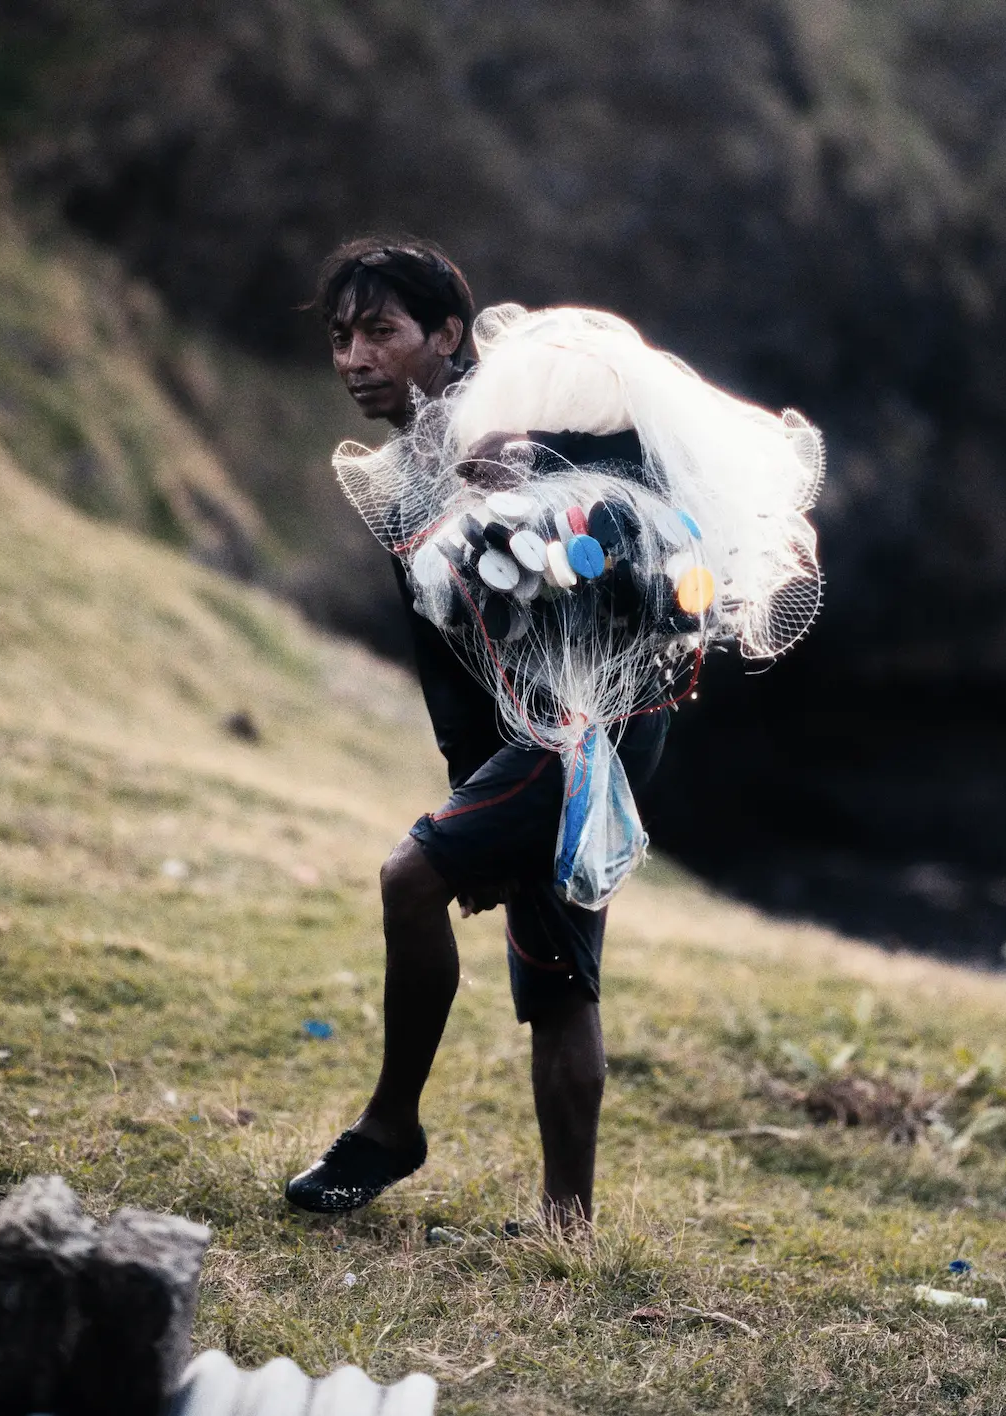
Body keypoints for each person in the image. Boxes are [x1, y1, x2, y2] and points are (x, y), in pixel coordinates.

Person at [285, 238, 668, 1226]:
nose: (355, 359)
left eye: (380, 331)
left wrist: (539, 483)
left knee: (409, 879)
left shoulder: (530, 416)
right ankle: (566, 1224)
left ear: (447, 334)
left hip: (600, 716)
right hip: (516, 731)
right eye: (340, 337)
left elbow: (645, 528)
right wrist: (470, 793)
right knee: (557, 976)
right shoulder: (399, 479)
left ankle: (389, 1126)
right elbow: (444, 660)